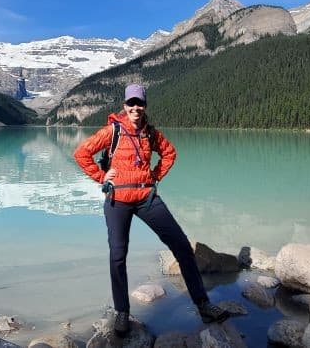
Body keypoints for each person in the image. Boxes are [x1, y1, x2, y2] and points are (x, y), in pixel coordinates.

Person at [73, 83, 229, 337]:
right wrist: (101, 177)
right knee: (117, 255)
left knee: (181, 246)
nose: (136, 107)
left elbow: (169, 153)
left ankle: (203, 305)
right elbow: (82, 153)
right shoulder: (112, 130)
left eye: (140, 103)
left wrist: (154, 176)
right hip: (118, 200)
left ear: (145, 106)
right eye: (131, 103)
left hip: (146, 198)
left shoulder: (150, 134)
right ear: (124, 106)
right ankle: (122, 312)